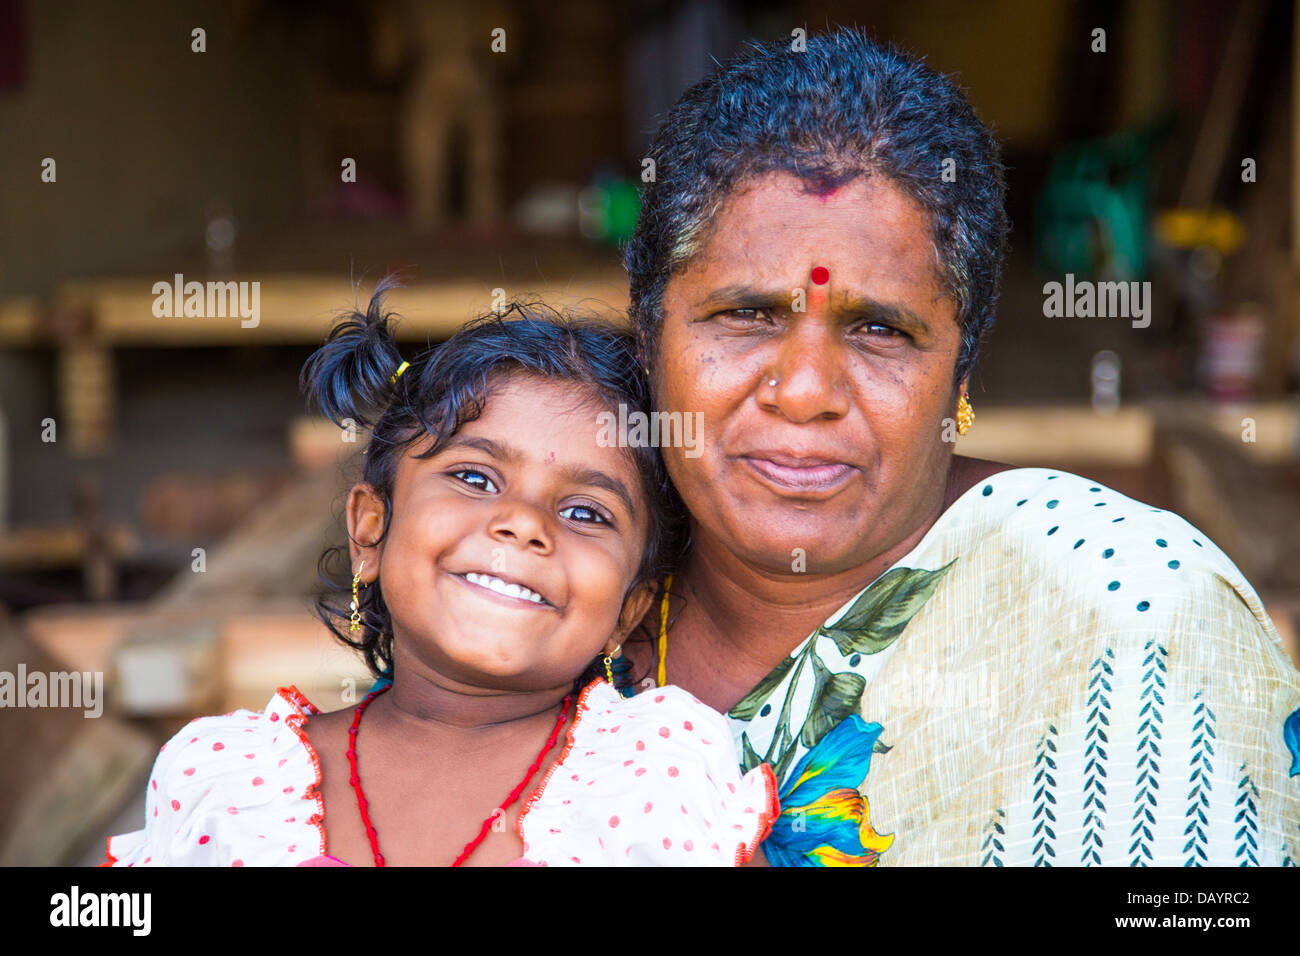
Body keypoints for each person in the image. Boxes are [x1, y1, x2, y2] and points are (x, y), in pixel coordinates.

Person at [616, 28, 1300, 866]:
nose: (804, 390)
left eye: (879, 330)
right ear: (647, 340)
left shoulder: (1127, 619)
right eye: (747, 315)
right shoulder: (552, 579)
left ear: (962, 375)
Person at [102, 289, 776, 867]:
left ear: (630, 609)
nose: (523, 523)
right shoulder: (229, 783)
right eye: (475, 478)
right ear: (371, 531)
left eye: (584, 512)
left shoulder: (653, 782)